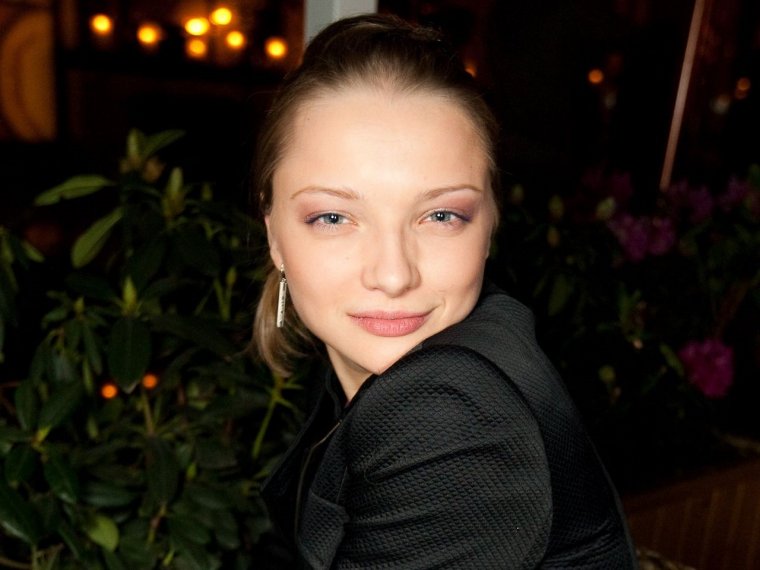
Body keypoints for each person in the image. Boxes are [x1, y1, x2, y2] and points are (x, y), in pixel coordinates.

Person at [253, 13, 637, 569]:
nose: (393, 276)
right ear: (275, 237)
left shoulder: (448, 408)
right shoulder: (362, 375)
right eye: (333, 217)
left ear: (490, 226)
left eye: (440, 215)